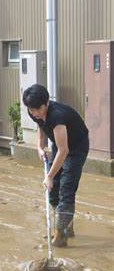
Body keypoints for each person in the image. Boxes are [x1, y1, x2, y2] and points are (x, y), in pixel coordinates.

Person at [23, 84, 90, 248]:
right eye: (32, 110)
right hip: (60, 145)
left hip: (76, 147)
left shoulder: (56, 116)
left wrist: (50, 176)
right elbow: (40, 126)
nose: (35, 113)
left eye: (38, 109)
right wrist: (39, 146)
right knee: (52, 191)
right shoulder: (34, 112)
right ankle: (65, 226)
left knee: (66, 188)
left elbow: (64, 150)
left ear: (46, 103)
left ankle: (60, 236)